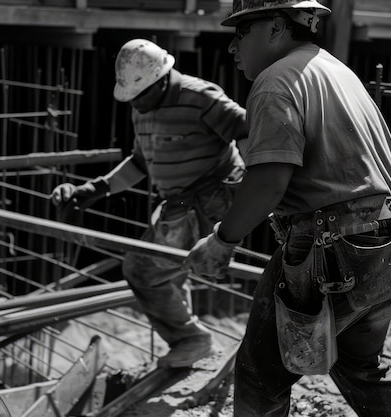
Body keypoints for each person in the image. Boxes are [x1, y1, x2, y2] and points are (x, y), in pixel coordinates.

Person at [184, 1, 391, 416]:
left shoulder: (274, 81)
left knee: (260, 374)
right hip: (388, 243)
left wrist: (221, 241)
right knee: (360, 365)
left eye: (240, 32)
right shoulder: (336, 70)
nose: (233, 47)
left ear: (274, 27)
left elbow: (269, 182)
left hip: (334, 251)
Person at [51, 38, 247, 368]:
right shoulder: (142, 109)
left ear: (161, 80)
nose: (135, 105)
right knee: (156, 269)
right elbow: (140, 163)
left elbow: (247, 130)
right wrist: (94, 189)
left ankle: (191, 340)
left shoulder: (200, 97)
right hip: (180, 202)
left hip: (214, 195)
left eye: (140, 96)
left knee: (143, 270)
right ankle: (191, 339)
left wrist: (257, 189)